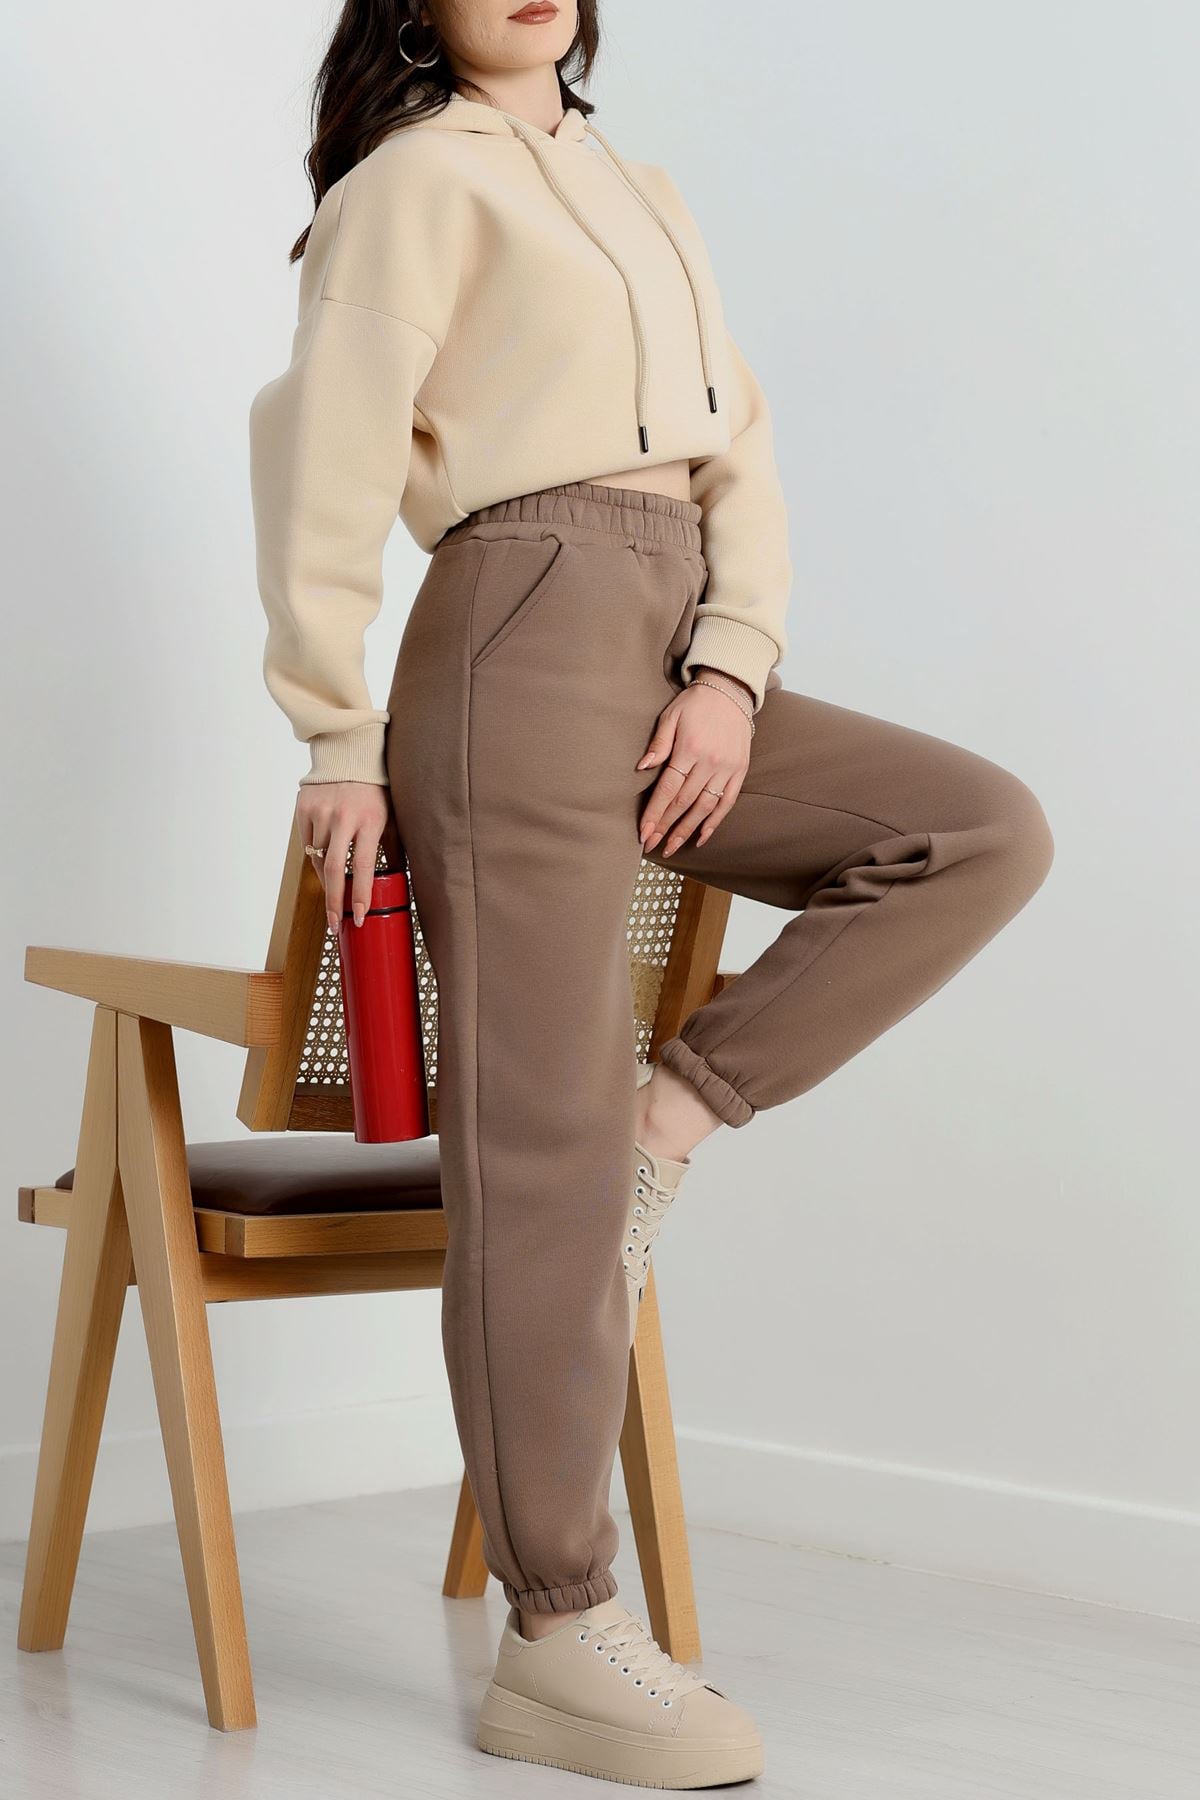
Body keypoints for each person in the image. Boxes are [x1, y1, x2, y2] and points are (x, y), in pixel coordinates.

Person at [247, 3, 1055, 1786]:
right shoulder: (411, 185)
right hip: (518, 625)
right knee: (534, 1142)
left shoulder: (640, 186)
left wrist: (734, 667)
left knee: (973, 830)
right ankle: (558, 1632)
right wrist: (335, 732)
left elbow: (738, 449)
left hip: (673, 637)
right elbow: (322, 459)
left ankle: (664, 1124)